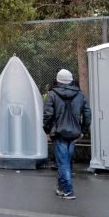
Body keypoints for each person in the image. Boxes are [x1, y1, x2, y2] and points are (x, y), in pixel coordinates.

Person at [43, 69, 91, 200]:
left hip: (59, 132)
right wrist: (83, 131)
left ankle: (68, 191)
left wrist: (47, 131)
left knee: (62, 162)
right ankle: (61, 188)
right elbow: (87, 114)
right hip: (74, 133)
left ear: (58, 80)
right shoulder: (80, 95)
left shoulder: (52, 94)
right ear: (71, 80)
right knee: (66, 161)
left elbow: (47, 115)